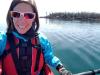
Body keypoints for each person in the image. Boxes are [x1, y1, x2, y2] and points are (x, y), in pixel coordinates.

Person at [0, 0, 72, 75]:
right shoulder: (2, 40)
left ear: (34, 18)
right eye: (16, 14)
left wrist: (61, 69)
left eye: (28, 15)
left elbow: (49, 57)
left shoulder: (41, 40)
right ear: (10, 16)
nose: (22, 20)